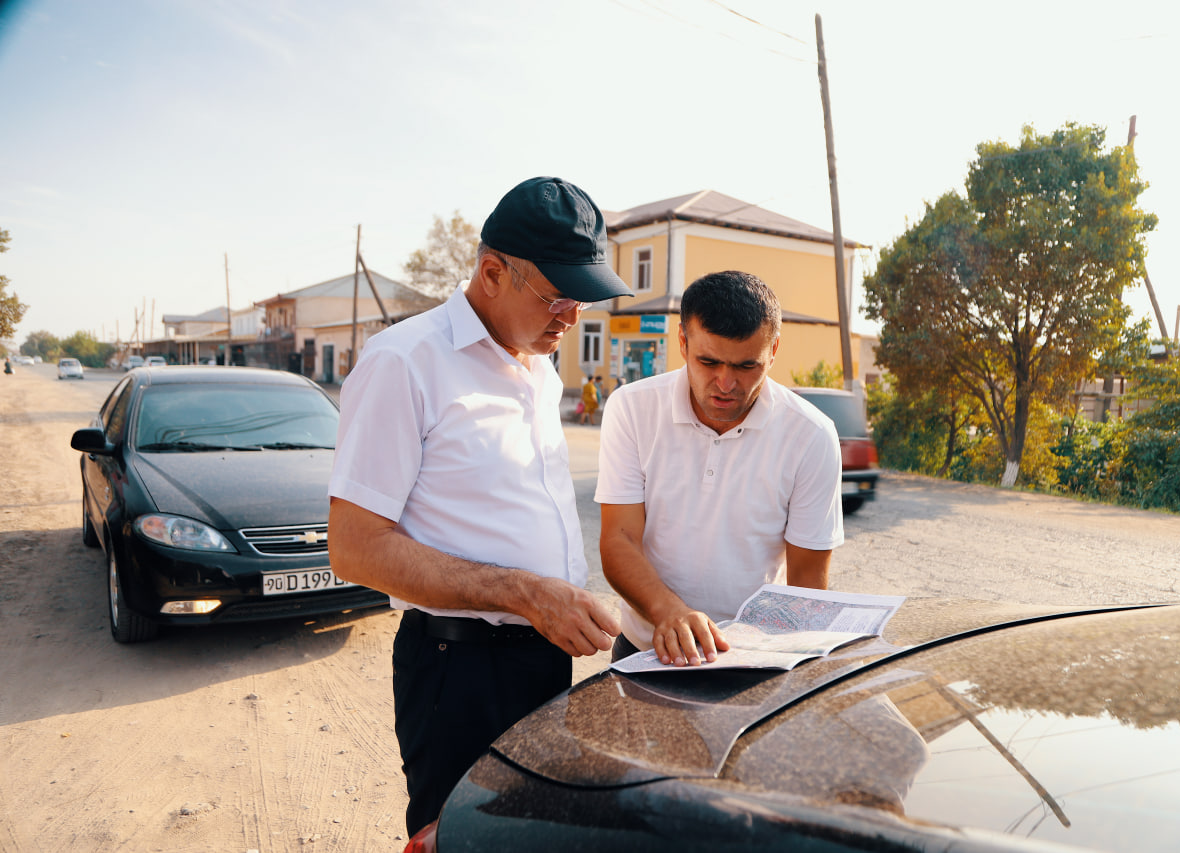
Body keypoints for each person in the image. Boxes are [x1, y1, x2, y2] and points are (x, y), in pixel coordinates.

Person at [327, 176, 632, 842]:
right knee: (462, 838)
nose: (573, 316)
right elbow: (353, 545)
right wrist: (524, 593)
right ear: (491, 272)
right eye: (557, 296)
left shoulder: (537, 364)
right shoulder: (405, 363)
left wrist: (543, 606)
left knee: (536, 835)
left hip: (540, 658)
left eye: (582, 297)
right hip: (459, 670)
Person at [596, 270, 844, 667]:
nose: (726, 383)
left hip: (752, 663)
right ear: (682, 341)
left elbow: (808, 582)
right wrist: (670, 614)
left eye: (747, 366)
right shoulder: (632, 408)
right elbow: (619, 539)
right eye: (708, 361)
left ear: (774, 349)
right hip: (645, 651)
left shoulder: (812, 435)